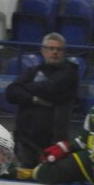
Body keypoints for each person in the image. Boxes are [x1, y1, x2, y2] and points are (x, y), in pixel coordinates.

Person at [5, 33, 79, 169]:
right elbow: (11, 92)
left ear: (64, 52)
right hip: (26, 140)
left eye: (59, 49)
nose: (55, 52)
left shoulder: (70, 73)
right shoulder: (32, 71)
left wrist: (24, 88)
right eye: (51, 48)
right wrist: (33, 99)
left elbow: (51, 88)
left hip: (54, 143)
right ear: (43, 50)